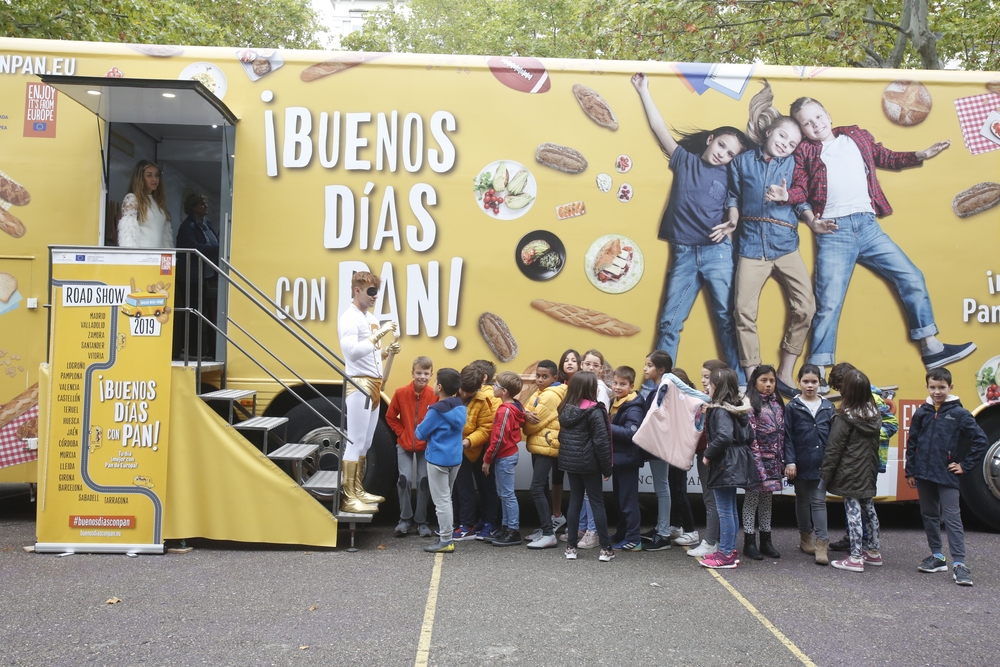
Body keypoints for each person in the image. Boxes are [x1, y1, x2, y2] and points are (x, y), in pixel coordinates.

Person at [786, 96, 974, 374]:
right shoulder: (805, 152)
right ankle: (817, 372)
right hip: (834, 231)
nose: (815, 125)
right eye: (807, 124)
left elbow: (885, 156)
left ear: (828, 114)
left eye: (817, 117)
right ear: (803, 131)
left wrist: (920, 155)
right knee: (828, 303)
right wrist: (801, 211)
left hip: (868, 226)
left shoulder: (855, 136)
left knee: (911, 276)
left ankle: (932, 348)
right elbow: (800, 190)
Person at [632, 72, 748, 383]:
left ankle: (741, 386)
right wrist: (644, 90)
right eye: (721, 145)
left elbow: (737, 205)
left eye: (730, 153)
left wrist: (732, 224)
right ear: (711, 139)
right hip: (684, 253)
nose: (722, 154)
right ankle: (655, 387)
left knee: (726, 320)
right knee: (670, 322)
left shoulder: (731, 176)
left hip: (717, 253)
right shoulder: (684, 160)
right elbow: (659, 129)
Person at [724, 83, 815, 396]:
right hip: (750, 247)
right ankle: (753, 376)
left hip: (786, 244)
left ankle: (786, 371)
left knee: (806, 307)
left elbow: (803, 200)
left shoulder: (795, 165)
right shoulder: (741, 162)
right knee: (742, 312)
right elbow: (733, 195)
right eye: (782, 138)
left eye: (792, 143)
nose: (786, 145)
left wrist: (810, 219)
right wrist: (734, 217)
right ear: (768, 133)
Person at [905, 367, 989, 586]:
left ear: (950, 387)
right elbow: (912, 442)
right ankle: (937, 556)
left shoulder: (960, 414)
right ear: (927, 387)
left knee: (952, 518)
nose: (937, 391)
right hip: (923, 474)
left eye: (941, 387)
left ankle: (960, 564)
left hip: (947, 475)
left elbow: (980, 441)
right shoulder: (922, 412)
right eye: (933, 387)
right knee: (929, 514)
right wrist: (911, 471)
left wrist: (964, 465)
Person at [337, 271, 397, 513]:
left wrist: (386, 352)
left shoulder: (368, 317)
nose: (375, 296)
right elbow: (351, 353)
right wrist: (381, 333)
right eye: (371, 291)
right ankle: (349, 496)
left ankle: (358, 490)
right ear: (356, 290)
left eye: (376, 291)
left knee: (367, 441)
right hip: (360, 385)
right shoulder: (349, 318)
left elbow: (369, 353)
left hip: (373, 384)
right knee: (356, 440)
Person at [640, 351, 711, 552]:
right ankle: (670, 527)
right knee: (669, 488)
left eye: (649, 365)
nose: (645, 368)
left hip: (671, 448)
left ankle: (678, 531)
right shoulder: (663, 390)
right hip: (667, 447)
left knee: (672, 489)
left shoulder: (670, 392)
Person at [826, 361, 898, 552]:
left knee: (857, 505)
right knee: (861, 504)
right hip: (862, 458)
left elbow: (892, 425)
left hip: (866, 458)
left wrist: (863, 435)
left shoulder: (871, 398)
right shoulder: (855, 399)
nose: (841, 392)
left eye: (841, 387)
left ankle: (860, 546)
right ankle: (860, 541)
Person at [820, 369, 883, 572]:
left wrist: (825, 475)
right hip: (868, 470)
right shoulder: (874, 414)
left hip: (850, 471)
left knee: (853, 511)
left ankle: (855, 557)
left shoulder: (844, 417)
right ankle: (873, 552)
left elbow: (834, 448)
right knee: (869, 509)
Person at [700, 367, 758, 569]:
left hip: (725, 463)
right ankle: (729, 549)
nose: (706, 385)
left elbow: (724, 436)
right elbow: (750, 436)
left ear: (718, 386)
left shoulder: (719, 409)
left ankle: (725, 554)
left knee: (725, 509)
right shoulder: (739, 408)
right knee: (730, 508)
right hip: (738, 460)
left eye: (710, 382)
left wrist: (708, 455)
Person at [557, 372, 615, 562]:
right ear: (590, 389)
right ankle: (606, 549)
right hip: (590, 464)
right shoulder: (596, 411)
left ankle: (571, 547)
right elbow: (602, 442)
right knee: (597, 502)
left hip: (571, 463)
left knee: (574, 501)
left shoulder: (565, 409)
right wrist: (607, 468)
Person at [783, 364, 836, 565]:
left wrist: (831, 463)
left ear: (820, 383)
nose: (810, 385)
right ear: (799, 382)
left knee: (819, 501)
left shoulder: (828, 407)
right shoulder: (793, 407)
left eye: (814, 382)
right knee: (802, 500)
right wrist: (790, 461)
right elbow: (788, 437)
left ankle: (822, 544)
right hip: (800, 463)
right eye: (806, 381)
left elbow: (834, 438)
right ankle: (806, 538)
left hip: (821, 463)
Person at [415, 368, 467, 553]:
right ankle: (447, 535)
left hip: (437, 460)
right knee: (447, 498)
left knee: (442, 501)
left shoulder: (436, 411)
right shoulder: (460, 406)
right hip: (455, 458)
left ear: (439, 386)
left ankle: (445, 540)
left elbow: (420, 434)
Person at [384, 356, 437, 538]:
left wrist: (430, 436)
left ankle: (421, 521)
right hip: (404, 444)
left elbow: (437, 420)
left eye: (426, 373)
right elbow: (391, 417)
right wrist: (402, 432)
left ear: (431, 375)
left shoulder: (434, 395)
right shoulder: (400, 393)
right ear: (412, 373)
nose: (422, 376)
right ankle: (405, 519)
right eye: (419, 373)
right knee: (404, 480)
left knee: (424, 481)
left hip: (425, 445)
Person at [522, 359, 566, 549]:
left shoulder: (550, 395)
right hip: (540, 445)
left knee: (537, 488)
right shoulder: (540, 392)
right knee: (543, 487)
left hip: (546, 445)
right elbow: (527, 411)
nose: (539, 379)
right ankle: (545, 528)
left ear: (554, 378)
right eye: (537, 376)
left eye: (544, 376)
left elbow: (531, 426)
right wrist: (526, 414)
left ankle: (549, 533)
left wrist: (526, 417)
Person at [687, 359, 729, 558]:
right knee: (714, 500)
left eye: (707, 377)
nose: (703, 381)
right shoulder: (706, 398)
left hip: (710, 455)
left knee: (712, 499)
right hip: (704, 453)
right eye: (702, 376)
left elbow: (717, 434)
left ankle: (711, 542)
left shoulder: (719, 403)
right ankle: (720, 541)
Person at [743, 365, 785, 560]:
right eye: (764, 381)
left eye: (772, 381)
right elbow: (751, 439)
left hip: (774, 463)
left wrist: (782, 461)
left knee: (767, 502)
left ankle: (766, 541)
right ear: (755, 382)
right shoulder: (751, 405)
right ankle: (749, 542)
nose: (768, 385)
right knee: (751, 501)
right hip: (756, 462)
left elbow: (782, 435)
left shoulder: (777, 405)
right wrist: (757, 466)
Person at [452, 365, 497, 541]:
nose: (464, 395)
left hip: (471, 450)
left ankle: (467, 524)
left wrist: (468, 441)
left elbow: (485, 428)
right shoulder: (452, 394)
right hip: (454, 450)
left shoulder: (482, 401)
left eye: (469, 392)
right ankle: (457, 522)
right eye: (462, 390)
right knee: (456, 488)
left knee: (468, 489)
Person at [174, 192, 220, 358]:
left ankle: (206, 349)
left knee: (206, 312)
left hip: (206, 275)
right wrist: (216, 249)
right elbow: (193, 247)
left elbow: (213, 242)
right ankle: (190, 349)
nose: (205, 206)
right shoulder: (188, 226)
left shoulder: (206, 224)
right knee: (193, 312)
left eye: (206, 203)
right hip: (191, 276)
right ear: (193, 207)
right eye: (202, 204)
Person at [483, 371, 526, 547]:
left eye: (496, 385)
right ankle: (506, 527)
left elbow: (498, 438)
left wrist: (487, 459)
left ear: (504, 391)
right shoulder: (515, 406)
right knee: (503, 493)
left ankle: (513, 530)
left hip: (505, 456)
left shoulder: (505, 411)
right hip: (506, 455)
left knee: (507, 494)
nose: (493, 387)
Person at [609, 365, 646, 552]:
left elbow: (632, 432)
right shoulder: (616, 402)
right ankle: (622, 532)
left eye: (622, 384)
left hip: (628, 459)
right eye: (615, 383)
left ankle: (633, 538)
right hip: (619, 458)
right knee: (619, 499)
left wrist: (606, 426)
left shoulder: (633, 406)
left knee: (628, 500)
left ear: (631, 386)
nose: (617, 387)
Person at [667, 367, 700, 548]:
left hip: (680, 452)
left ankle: (690, 530)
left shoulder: (688, 402)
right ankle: (676, 525)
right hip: (674, 452)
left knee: (679, 491)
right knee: (674, 489)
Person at [551, 349, 581, 533]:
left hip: (576, 438)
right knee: (556, 476)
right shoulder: (556, 385)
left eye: (574, 360)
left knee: (577, 481)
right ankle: (556, 515)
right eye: (566, 360)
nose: (570, 363)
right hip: (556, 437)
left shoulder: (584, 384)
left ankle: (577, 521)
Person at [118, 160, 173, 248]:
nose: (154, 179)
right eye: (149, 175)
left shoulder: (159, 202)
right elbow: (128, 234)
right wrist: (131, 257)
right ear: (140, 178)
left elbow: (165, 237)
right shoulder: (132, 199)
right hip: (142, 257)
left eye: (157, 175)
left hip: (157, 257)